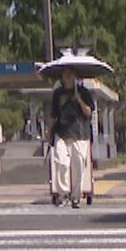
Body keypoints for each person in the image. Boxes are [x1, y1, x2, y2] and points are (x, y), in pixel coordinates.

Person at [48, 68, 96, 209]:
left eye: (70, 74)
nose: (67, 76)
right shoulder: (58, 94)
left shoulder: (84, 92)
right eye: (65, 74)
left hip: (80, 134)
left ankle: (76, 196)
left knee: (78, 165)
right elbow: (53, 115)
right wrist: (49, 132)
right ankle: (63, 194)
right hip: (61, 133)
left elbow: (88, 112)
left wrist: (79, 99)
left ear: (75, 76)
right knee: (61, 162)